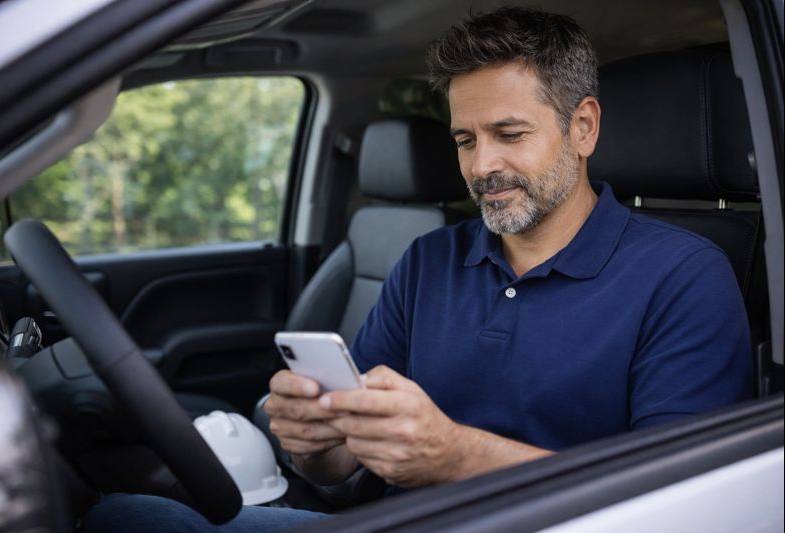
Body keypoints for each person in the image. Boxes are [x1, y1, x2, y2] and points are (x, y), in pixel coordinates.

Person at [84, 6, 751, 531]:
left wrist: (458, 456)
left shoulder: (684, 276)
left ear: (583, 128)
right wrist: (314, 443)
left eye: (509, 134)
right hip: (390, 517)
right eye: (465, 139)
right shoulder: (432, 260)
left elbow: (679, 504)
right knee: (124, 514)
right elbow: (347, 463)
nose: (481, 165)